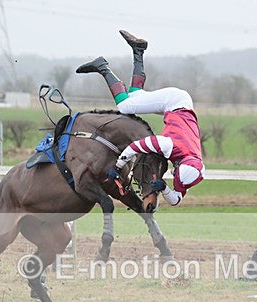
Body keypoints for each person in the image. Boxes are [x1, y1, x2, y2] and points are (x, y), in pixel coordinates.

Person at [76, 30, 205, 206]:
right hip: (174, 101)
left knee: (135, 96)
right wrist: (118, 167)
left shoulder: (194, 169)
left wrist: (165, 188)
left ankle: (138, 51)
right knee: (125, 106)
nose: (174, 175)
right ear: (180, 166)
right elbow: (136, 147)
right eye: (175, 174)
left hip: (179, 107)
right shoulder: (169, 146)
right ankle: (102, 67)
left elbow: (176, 199)